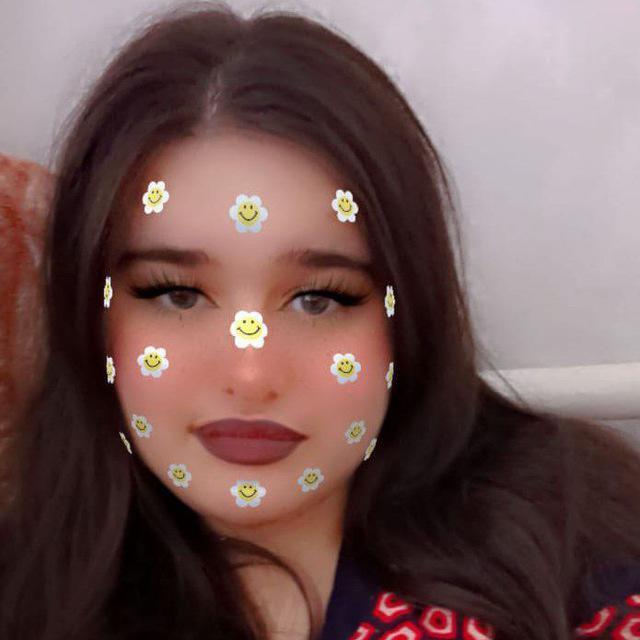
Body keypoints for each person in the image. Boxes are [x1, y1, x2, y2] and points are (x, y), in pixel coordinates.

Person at [1, 3, 640, 639]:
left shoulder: (573, 558)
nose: (251, 375)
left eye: (320, 299)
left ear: (405, 314)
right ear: (90, 314)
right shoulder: (30, 595)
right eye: (177, 294)